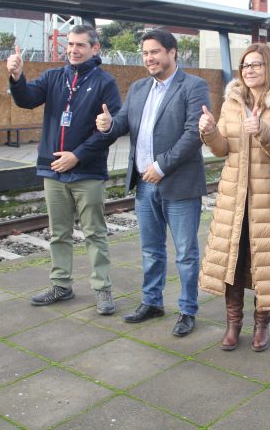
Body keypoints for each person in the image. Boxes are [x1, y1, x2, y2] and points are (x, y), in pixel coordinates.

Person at [96, 29, 210, 337]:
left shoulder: (194, 86)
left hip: (180, 185)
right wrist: (108, 126)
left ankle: (187, 310)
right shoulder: (137, 88)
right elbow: (123, 123)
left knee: (185, 252)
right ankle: (152, 302)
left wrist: (161, 165)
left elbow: (193, 134)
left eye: (155, 51)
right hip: (144, 186)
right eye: (146, 53)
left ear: (173, 53)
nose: (150, 58)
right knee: (150, 249)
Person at [6, 24, 122, 314]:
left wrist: (77, 156)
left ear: (95, 49)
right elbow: (27, 99)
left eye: (80, 45)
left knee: (95, 233)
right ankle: (61, 285)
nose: (72, 50)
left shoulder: (105, 83)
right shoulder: (54, 77)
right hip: (53, 170)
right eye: (70, 44)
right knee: (59, 233)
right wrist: (17, 77)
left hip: (87, 171)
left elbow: (111, 129)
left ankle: (102, 289)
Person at [198, 43, 270, 352]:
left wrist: (261, 131)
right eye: (245, 66)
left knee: (264, 264)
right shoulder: (232, 101)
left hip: (268, 199)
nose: (249, 70)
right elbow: (221, 149)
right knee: (233, 261)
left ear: (269, 67)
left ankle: (261, 324)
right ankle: (233, 324)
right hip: (233, 197)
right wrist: (208, 131)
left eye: (256, 65)